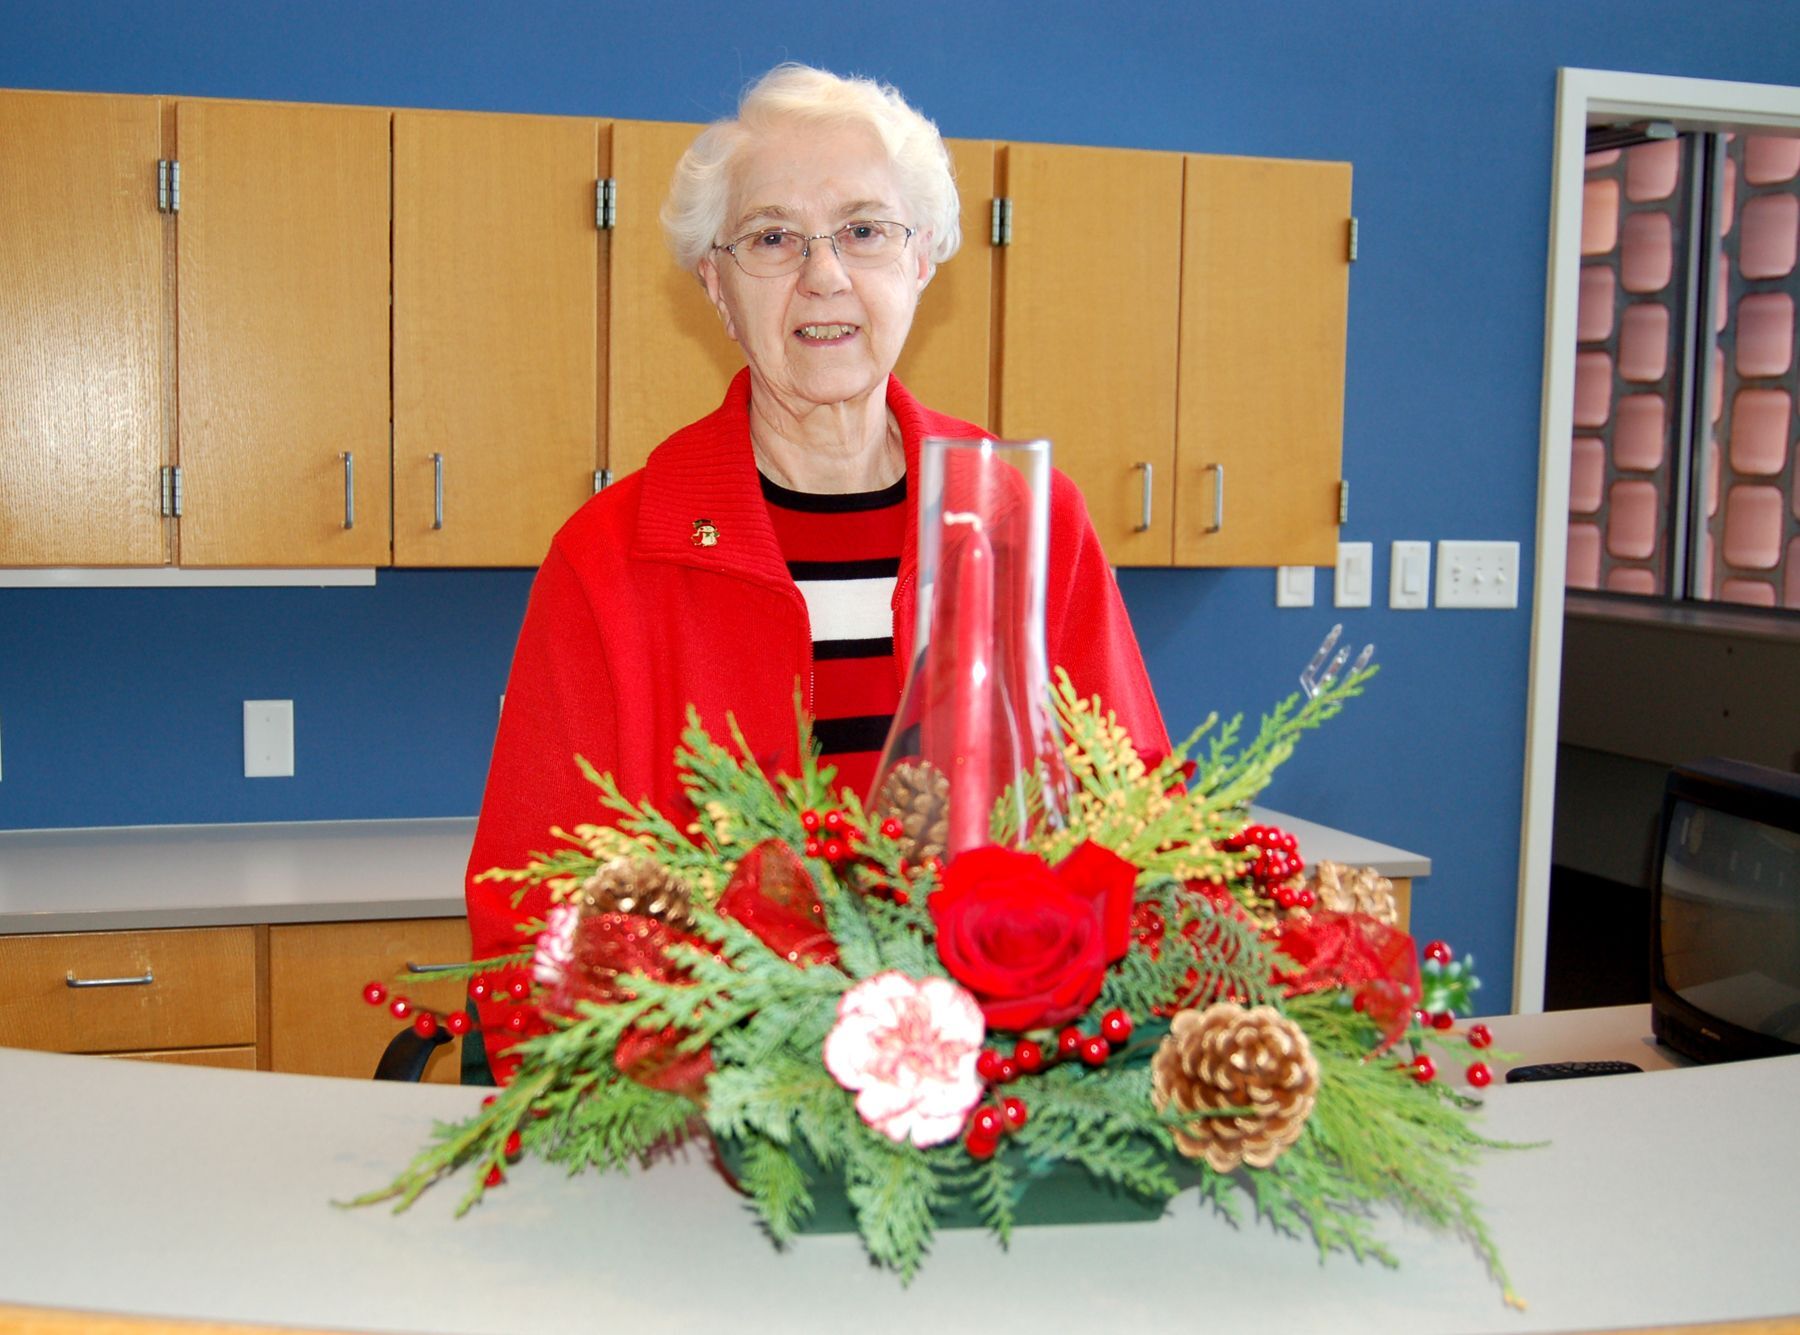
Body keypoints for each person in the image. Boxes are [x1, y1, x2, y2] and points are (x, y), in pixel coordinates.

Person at [465, 64, 1168, 1080]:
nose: (823, 276)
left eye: (865, 230)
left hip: (1003, 1097)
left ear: (924, 258)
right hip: (708, 1123)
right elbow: (532, 905)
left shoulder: (1019, 519)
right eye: (771, 239)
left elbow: (1136, 831)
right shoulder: (613, 556)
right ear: (714, 282)